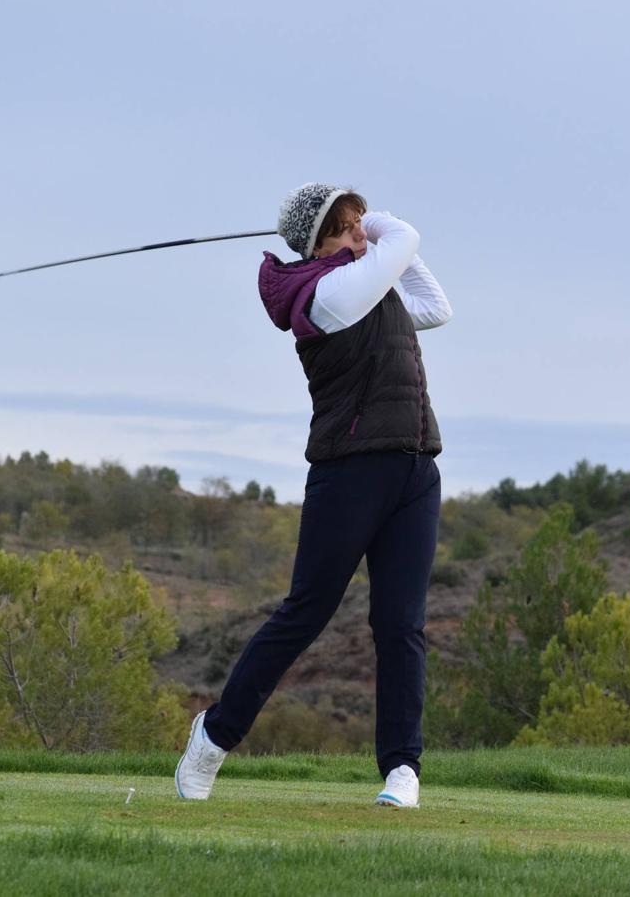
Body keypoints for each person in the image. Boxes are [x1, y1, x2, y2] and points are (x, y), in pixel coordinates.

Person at [175, 183, 451, 808]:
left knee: (401, 624)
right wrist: (380, 224)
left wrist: (363, 229)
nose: (361, 236)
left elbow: (435, 307)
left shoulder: (366, 283)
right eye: (347, 228)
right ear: (317, 244)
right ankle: (213, 737)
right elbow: (406, 241)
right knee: (306, 613)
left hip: (414, 470)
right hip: (349, 473)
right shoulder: (326, 295)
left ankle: (402, 771)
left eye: (360, 225)